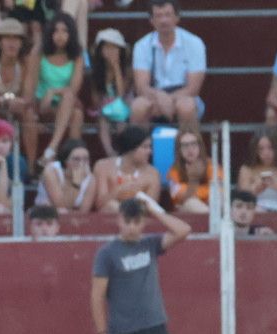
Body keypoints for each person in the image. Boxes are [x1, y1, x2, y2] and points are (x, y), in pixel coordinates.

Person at [91, 193, 192, 334]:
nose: (133, 228)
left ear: (143, 222)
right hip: (126, 333)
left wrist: (155, 210)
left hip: (155, 328)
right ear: (120, 220)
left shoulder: (150, 244)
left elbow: (183, 230)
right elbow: (96, 296)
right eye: (128, 222)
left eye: (138, 222)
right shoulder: (107, 253)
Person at [130, 0, 204, 134]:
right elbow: (141, 87)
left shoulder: (194, 43)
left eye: (168, 15)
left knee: (186, 106)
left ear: (177, 17)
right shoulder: (141, 45)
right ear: (151, 20)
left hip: (184, 95)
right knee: (138, 106)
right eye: (158, 16)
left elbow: (193, 88)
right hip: (154, 95)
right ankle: (139, 152)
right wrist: (160, 98)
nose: (164, 20)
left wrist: (169, 100)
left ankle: (189, 151)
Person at [30, 11, 83, 165]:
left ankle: (57, 153)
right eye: (56, 31)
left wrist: (53, 91)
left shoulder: (77, 55)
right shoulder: (39, 53)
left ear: (71, 34)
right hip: (43, 103)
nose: (60, 35)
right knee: (71, 104)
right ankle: (54, 153)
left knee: (77, 113)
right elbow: (31, 86)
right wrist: (34, 110)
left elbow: (74, 88)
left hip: (63, 103)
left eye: (65, 31)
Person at [92, 121, 158, 213]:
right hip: (108, 219)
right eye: (145, 147)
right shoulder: (102, 166)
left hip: (138, 220)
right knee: (110, 205)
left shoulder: (153, 173)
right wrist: (119, 190)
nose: (150, 151)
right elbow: (99, 204)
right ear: (131, 148)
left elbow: (151, 208)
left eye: (150, 147)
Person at [89, 27, 130, 159]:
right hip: (105, 108)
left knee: (121, 121)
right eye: (107, 48)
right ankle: (110, 153)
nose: (110, 51)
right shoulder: (96, 72)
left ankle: (123, 152)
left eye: (114, 48)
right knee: (102, 120)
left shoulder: (127, 70)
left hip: (124, 105)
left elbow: (121, 94)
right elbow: (96, 99)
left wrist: (116, 67)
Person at [236, 126, 277, 213]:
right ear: (255, 150)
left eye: (270, 148)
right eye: (261, 149)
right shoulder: (246, 169)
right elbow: (242, 201)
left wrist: (276, 185)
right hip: (254, 214)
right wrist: (256, 187)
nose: (266, 153)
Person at [165, 126, 218, 213]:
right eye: (185, 145)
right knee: (191, 202)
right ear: (179, 150)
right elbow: (182, 197)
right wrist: (194, 179)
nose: (190, 149)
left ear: (200, 146)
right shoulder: (173, 172)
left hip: (210, 206)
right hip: (185, 214)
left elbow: (219, 191)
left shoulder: (211, 165)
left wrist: (197, 194)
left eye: (193, 144)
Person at [37, 135, 95, 212]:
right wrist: (76, 185)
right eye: (76, 159)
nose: (81, 164)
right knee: (62, 211)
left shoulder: (90, 179)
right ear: (65, 161)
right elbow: (61, 205)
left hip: (76, 219)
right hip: (46, 214)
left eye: (85, 159)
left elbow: (84, 211)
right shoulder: (51, 171)